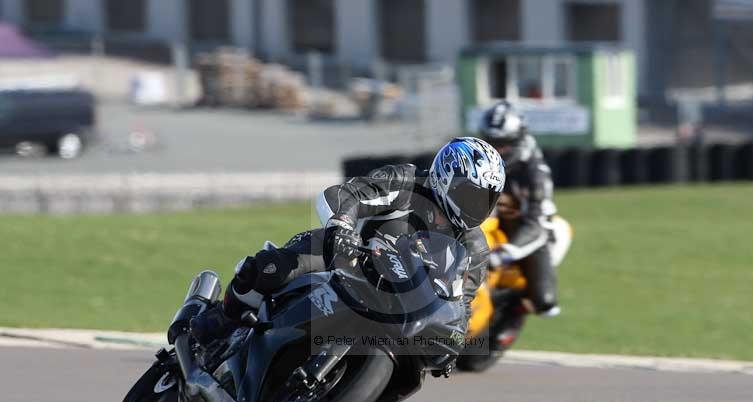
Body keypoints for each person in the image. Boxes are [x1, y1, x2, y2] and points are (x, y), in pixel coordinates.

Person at [190, 137, 505, 345]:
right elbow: (347, 195)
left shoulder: (475, 247)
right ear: (445, 177)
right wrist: (342, 227)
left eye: (486, 200)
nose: (477, 207)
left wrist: (453, 339)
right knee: (274, 268)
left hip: (397, 301)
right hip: (346, 256)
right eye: (471, 195)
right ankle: (218, 319)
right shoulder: (408, 183)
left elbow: (462, 303)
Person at [478, 101, 560, 347]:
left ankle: (515, 311)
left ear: (517, 139)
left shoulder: (534, 173)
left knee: (544, 299)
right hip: (484, 219)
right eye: (491, 143)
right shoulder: (477, 157)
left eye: (502, 144)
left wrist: (505, 254)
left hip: (524, 228)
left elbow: (536, 224)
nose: (496, 150)